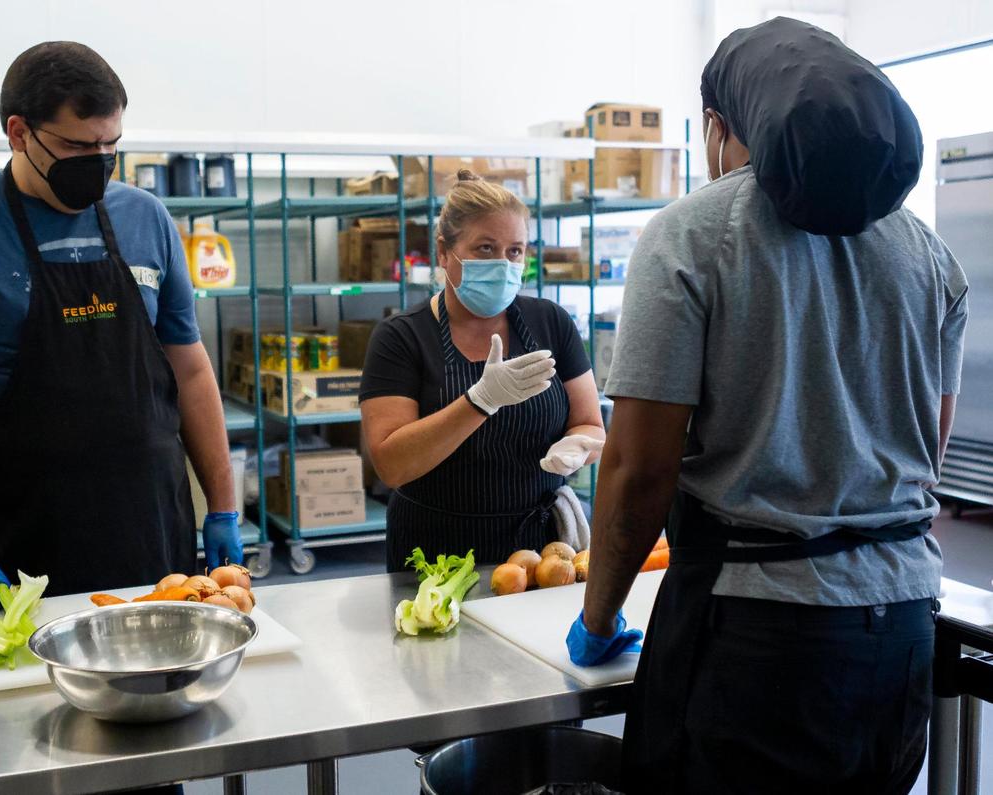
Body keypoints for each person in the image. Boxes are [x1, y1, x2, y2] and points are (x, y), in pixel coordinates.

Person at [567, 17, 968, 794]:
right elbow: (930, 450)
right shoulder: (931, 255)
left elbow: (639, 468)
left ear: (720, 127)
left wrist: (599, 614)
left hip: (754, 639)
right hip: (904, 624)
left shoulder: (690, 235)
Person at [0, 42, 242, 609]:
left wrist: (223, 505)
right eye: (77, 145)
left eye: (111, 145)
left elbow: (190, 372)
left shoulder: (147, 219)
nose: (98, 160)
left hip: (149, 533)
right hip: (7, 544)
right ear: (18, 132)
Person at [360, 171, 605, 569]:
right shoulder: (400, 338)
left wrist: (578, 446)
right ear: (444, 252)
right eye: (486, 249)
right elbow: (392, 465)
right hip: (435, 550)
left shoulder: (551, 323)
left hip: (541, 552)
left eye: (515, 251)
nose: (503, 264)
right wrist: (480, 400)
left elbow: (591, 425)